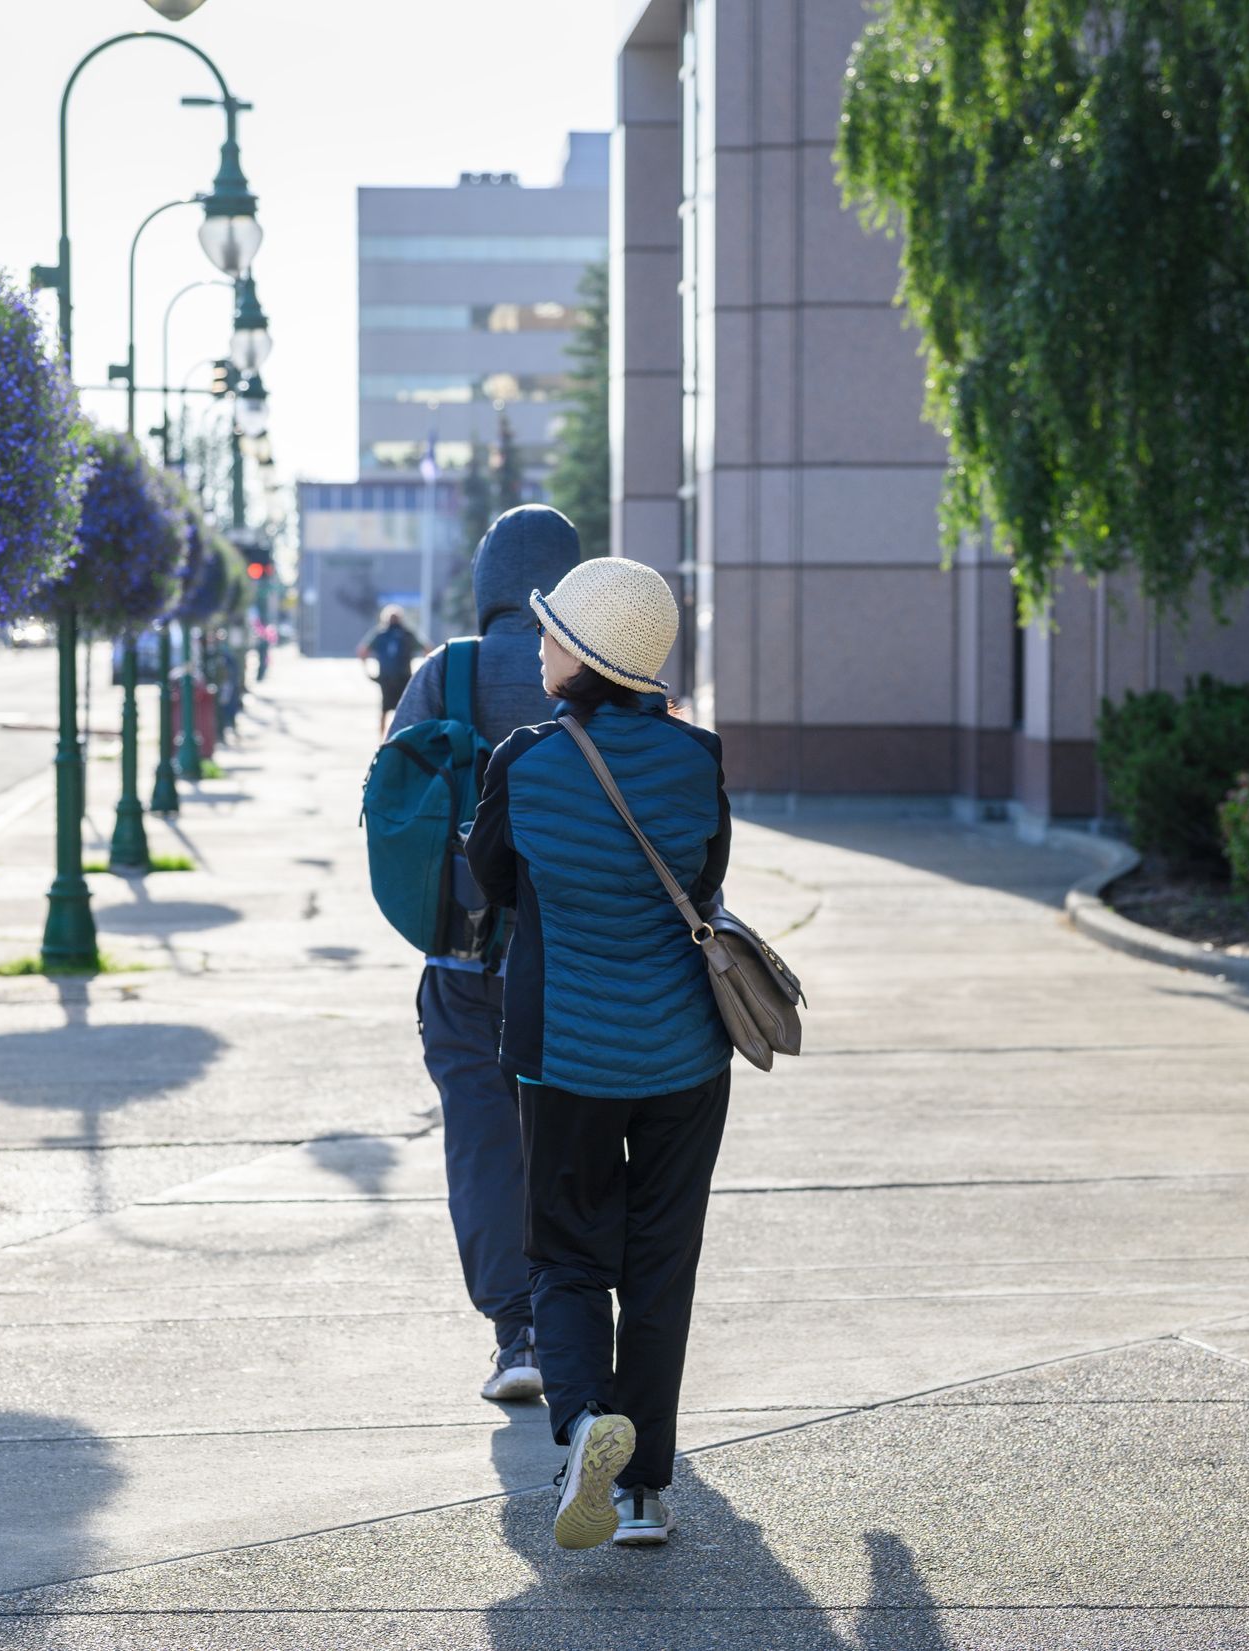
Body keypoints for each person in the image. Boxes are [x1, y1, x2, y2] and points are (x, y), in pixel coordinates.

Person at [465, 555, 733, 1553]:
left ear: (579, 654)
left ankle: (583, 1427)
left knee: (567, 1256)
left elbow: (487, 883)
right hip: (682, 1058)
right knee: (661, 1263)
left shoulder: (526, 762)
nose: (538, 645)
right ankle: (647, 1494)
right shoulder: (699, 758)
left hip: (565, 1059)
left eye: (548, 632)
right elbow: (703, 885)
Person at [386, 504, 582, 1405]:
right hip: (579, 957)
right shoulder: (597, 670)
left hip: (465, 958)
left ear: (486, 582)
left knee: (480, 1142)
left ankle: (517, 1335)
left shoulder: (446, 671)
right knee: (573, 1143)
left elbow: (391, 795)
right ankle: (579, 1324)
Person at [355, 605, 427, 735]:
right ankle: (399, 738)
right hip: (402, 677)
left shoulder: (381, 634)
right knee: (403, 710)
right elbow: (428, 649)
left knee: (386, 709)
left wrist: (367, 671)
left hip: (388, 677)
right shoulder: (406, 634)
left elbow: (362, 651)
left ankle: (385, 740)